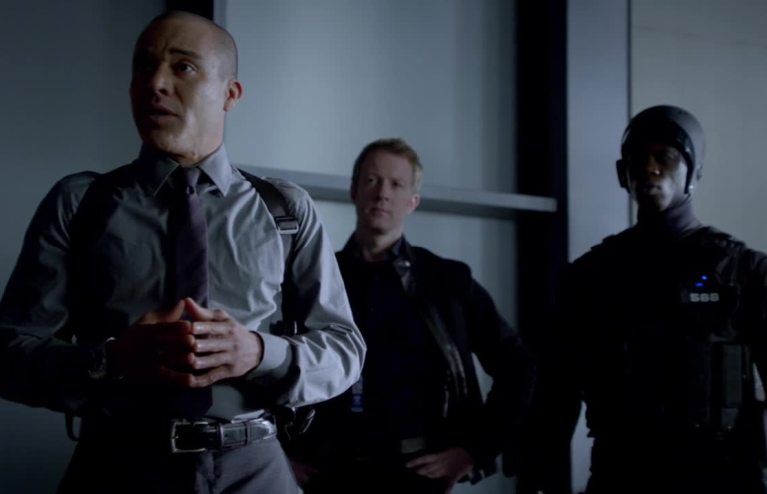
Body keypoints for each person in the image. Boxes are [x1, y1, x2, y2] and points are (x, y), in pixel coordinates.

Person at [0, 11, 365, 494]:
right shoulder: (80, 204)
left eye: (183, 67)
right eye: (144, 66)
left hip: (254, 469)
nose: (155, 84)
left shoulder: (285, 210)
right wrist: (110, 359)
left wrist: (259, 352)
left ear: (230, 94)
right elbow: (9, 353)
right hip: (116, 465)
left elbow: (345, 350)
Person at [530, 105, 767, 494]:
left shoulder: (750, 273)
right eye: (639, 158)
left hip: (722, 479)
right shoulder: (588, 277)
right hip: (621, 477)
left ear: (694, 171)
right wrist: (538, 480)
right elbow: (555, 396)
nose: (650, 168)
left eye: (665, 157)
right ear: (623, 173)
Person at [285, 138, 534, 494]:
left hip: (418, 477)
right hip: (328, 475)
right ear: (354, 190)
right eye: (372, 180)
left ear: (413, 201)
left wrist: (474, 451)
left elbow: (518, 367)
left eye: (396, 184)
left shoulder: (447, 282)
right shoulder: (316, 279)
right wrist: (278, 454)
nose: (382, 194)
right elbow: (272, 367)